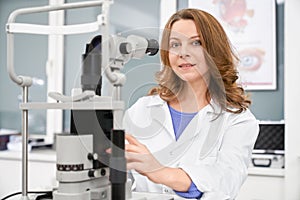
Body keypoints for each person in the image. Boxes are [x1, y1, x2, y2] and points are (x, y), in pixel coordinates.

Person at [122, 8, 259, 200]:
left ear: (214, 50)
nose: (183, 53)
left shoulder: (237, 120)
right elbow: (118, 172)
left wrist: (160, 172)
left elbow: (226, 181)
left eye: (196, 43)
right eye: (175, 44)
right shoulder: (142, 109)